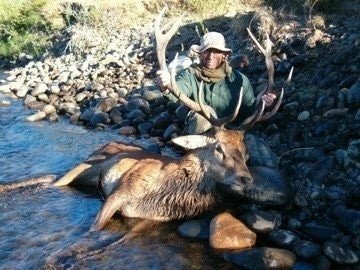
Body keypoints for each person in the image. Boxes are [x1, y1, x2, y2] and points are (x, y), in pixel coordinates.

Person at [157, 31, 276, 134]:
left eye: (216, 52)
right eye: (206, 51)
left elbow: (249, 111)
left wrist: (263, 104)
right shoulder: (190, 74)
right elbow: (177, 92)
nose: (210, 56)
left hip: (232, 133)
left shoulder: (240, 80)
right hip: (204, 134)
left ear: (224, 55)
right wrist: (166, 86)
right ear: (200, 54)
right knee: (201, 117)